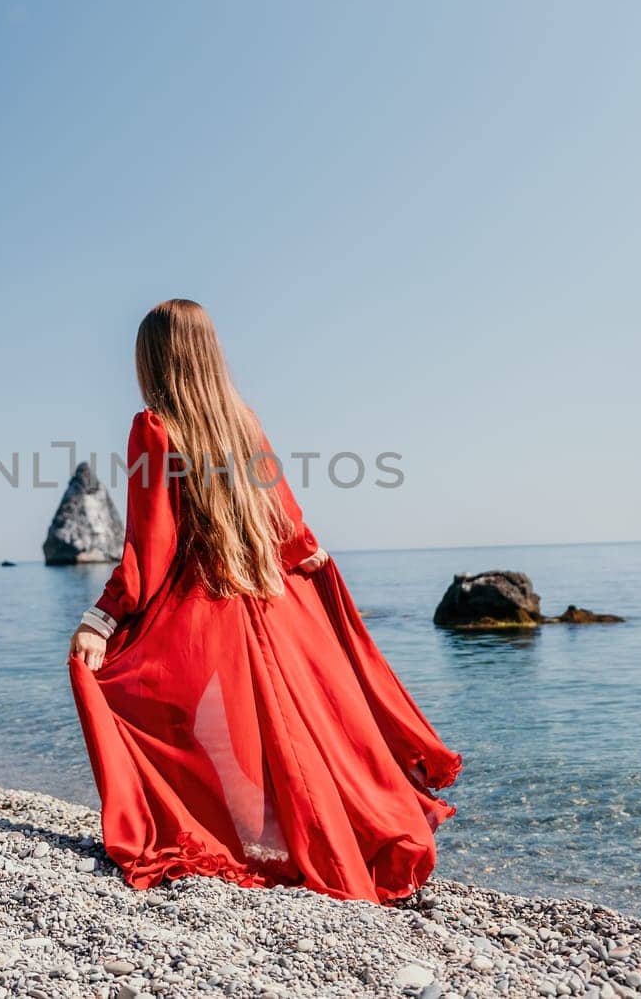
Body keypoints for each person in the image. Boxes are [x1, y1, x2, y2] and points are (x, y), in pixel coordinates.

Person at [68, 299, 461, 904]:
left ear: (153, 359)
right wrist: (309, 557)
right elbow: (284, 519)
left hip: (202, 607)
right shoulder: (243, 422)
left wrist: (103, 616)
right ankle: (312, 841)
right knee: (293, 731)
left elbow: (150, 546)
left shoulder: (155, 426)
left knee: (196, 723)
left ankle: (248, 839)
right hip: (269, 600)